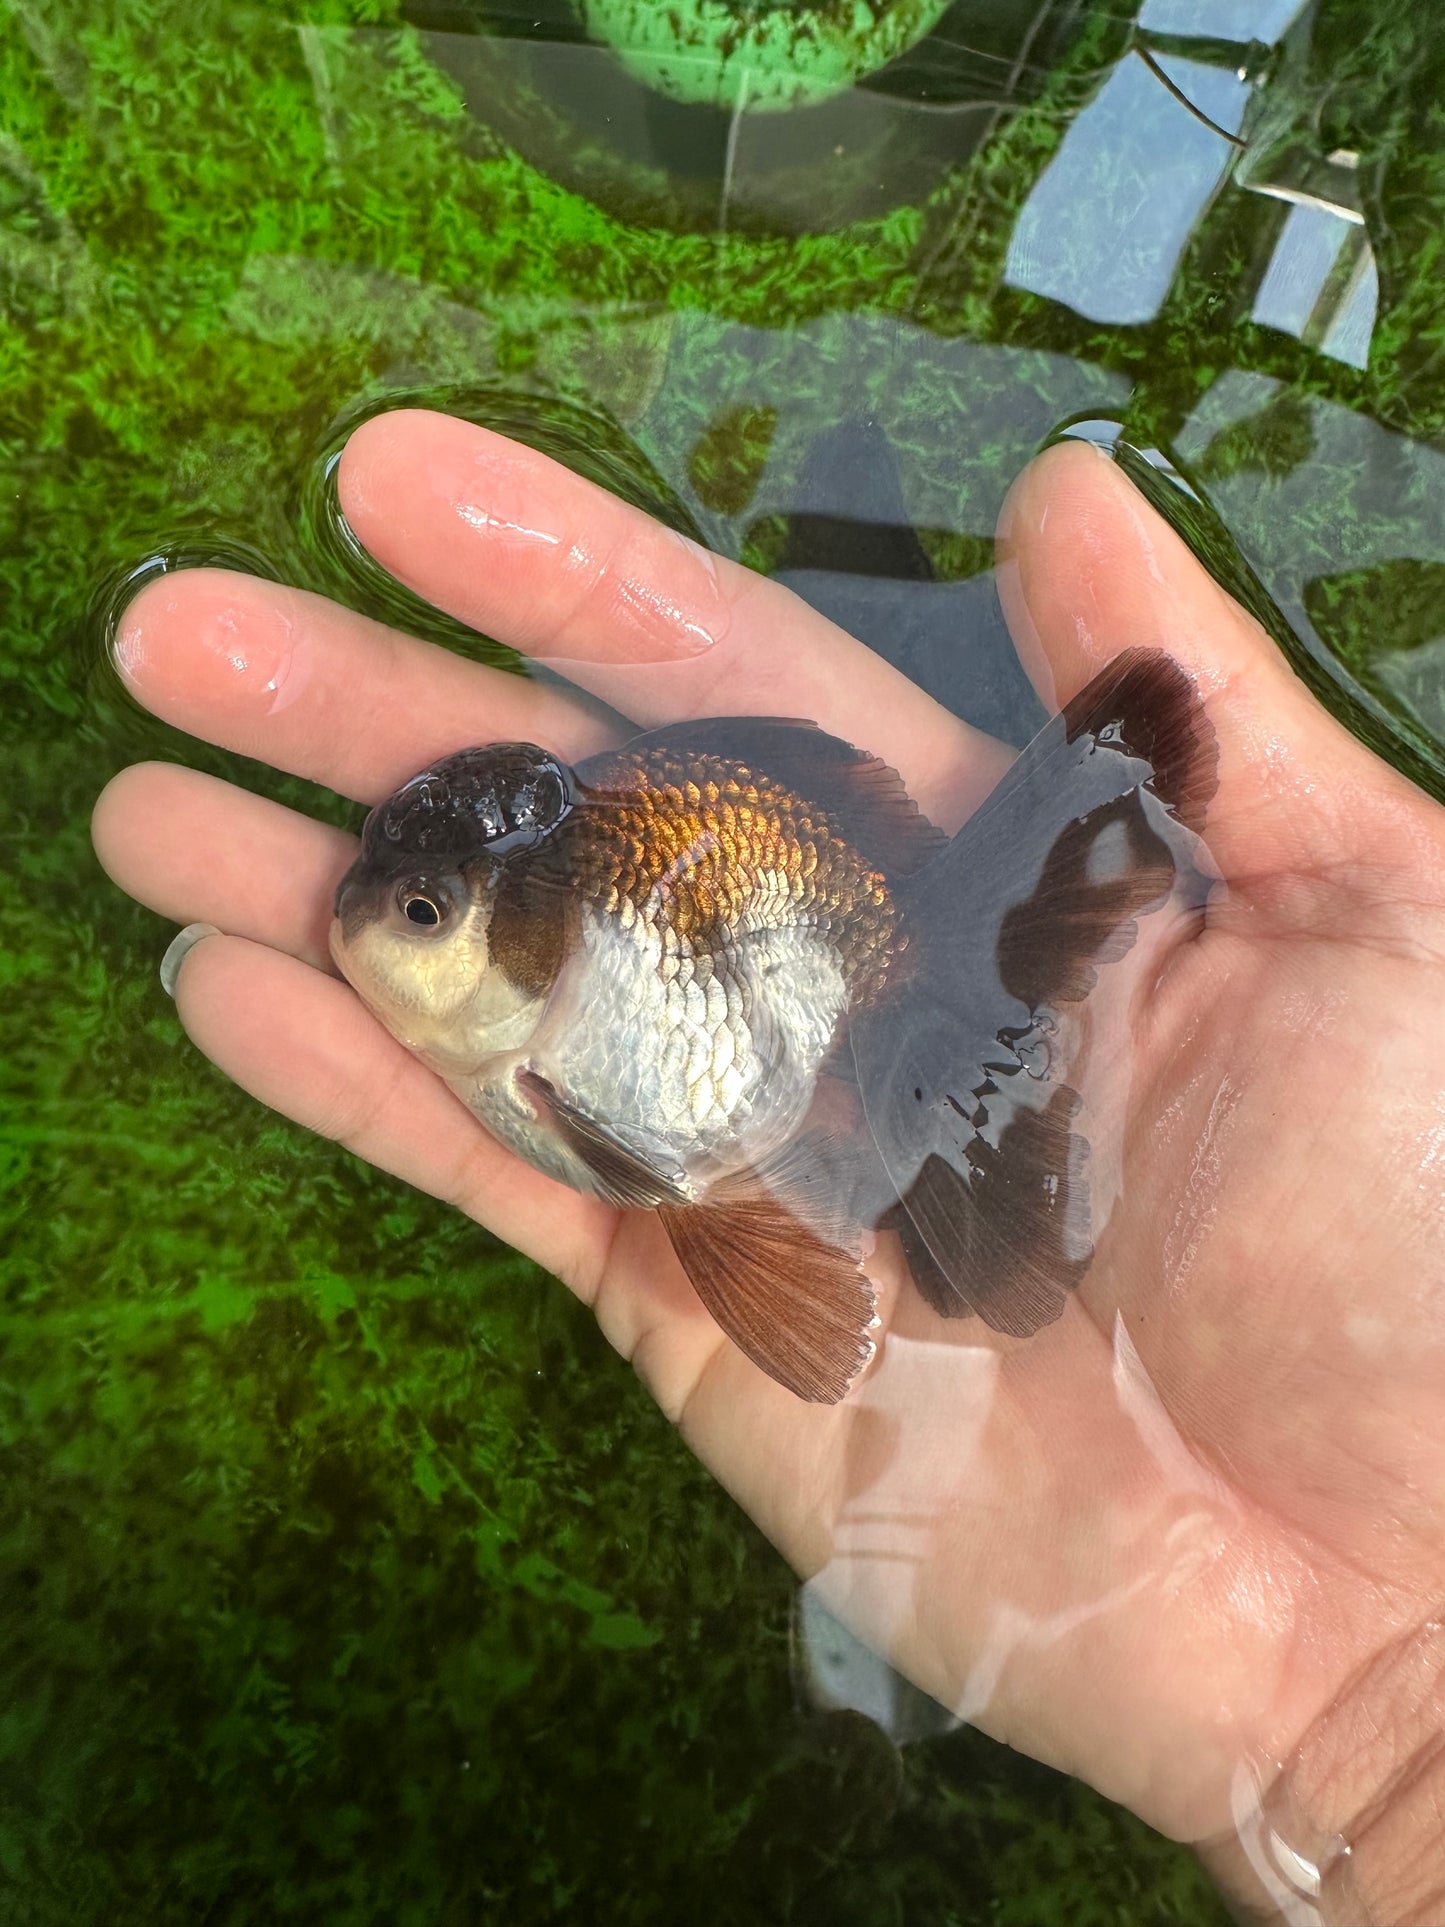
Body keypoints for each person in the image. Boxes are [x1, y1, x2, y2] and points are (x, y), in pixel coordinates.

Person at [93, 413, 1445, 1926]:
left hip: (804, 973)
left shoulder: (563, 1039)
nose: (383, 935)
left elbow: (655, 1161)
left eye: (420, 918)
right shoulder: (545, 1023)